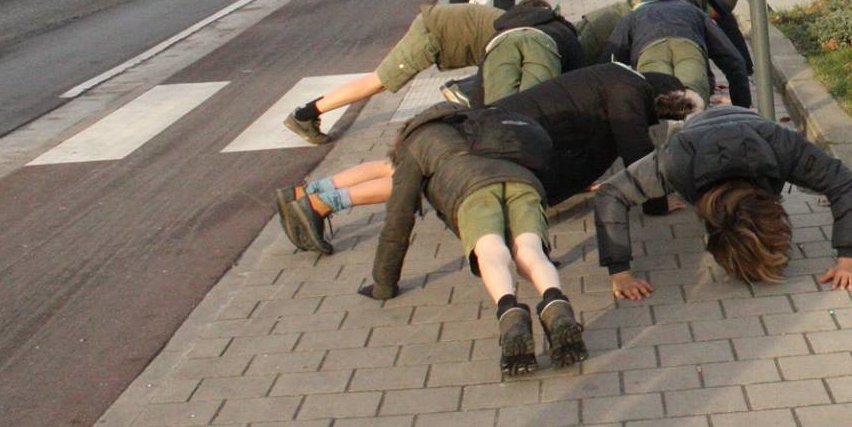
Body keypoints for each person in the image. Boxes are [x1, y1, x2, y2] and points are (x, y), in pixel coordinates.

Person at [279, 63, 705, 250]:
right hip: (502, 139)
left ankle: (309, 192)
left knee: (404, 166)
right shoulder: (630, 95)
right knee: (430, 182)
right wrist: (656, 203)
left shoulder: (616, 76)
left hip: (494, 122)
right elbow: (636, 155)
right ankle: (319, 205)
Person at [346, 103, 582, 378]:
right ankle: (556, 304)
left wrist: (384, 284)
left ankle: (510, 313)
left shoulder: (414, 144)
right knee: (529, 250)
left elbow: (399, 217)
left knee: (490, 250)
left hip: (470, 190)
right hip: (522, 181)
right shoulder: (474, 119)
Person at [593, 105, 852, 300]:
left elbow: (843, 182)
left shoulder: (782, 147)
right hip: (695, 130)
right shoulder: (676, 161)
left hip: (753, 125)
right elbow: (611, 194)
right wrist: (620, 273)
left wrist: (847, 259)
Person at [285, 0, 561, 145]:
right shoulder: (519, 36)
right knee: (378, 82)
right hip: (429, 35)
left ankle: (307, 114)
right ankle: (304, 115)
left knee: (378, 81)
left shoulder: (514, 24)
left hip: (434, 26)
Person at [609, 0, 752, 107]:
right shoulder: (693, 10)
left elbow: (612, 59)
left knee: (659, 99)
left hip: (650, 52)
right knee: (693, 101)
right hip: (689, 49)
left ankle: (665, 122)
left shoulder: (632, 16)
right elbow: (732, 58)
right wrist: (742, 105)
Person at [440, 0, 584, 107]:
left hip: (503, 42)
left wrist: (478, 109)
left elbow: (483, 80)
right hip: (542, 43)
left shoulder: (501, 30)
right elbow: (578, 73)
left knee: (500, 111)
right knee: (536, 107)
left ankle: (463, 91)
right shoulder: (559, 27)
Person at [671, 0, 753, 71]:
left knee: (726, 22)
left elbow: (731, 31)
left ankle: (745, 66)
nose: (713, 19)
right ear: (712, 4)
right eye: (716, 15)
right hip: (662, 35)